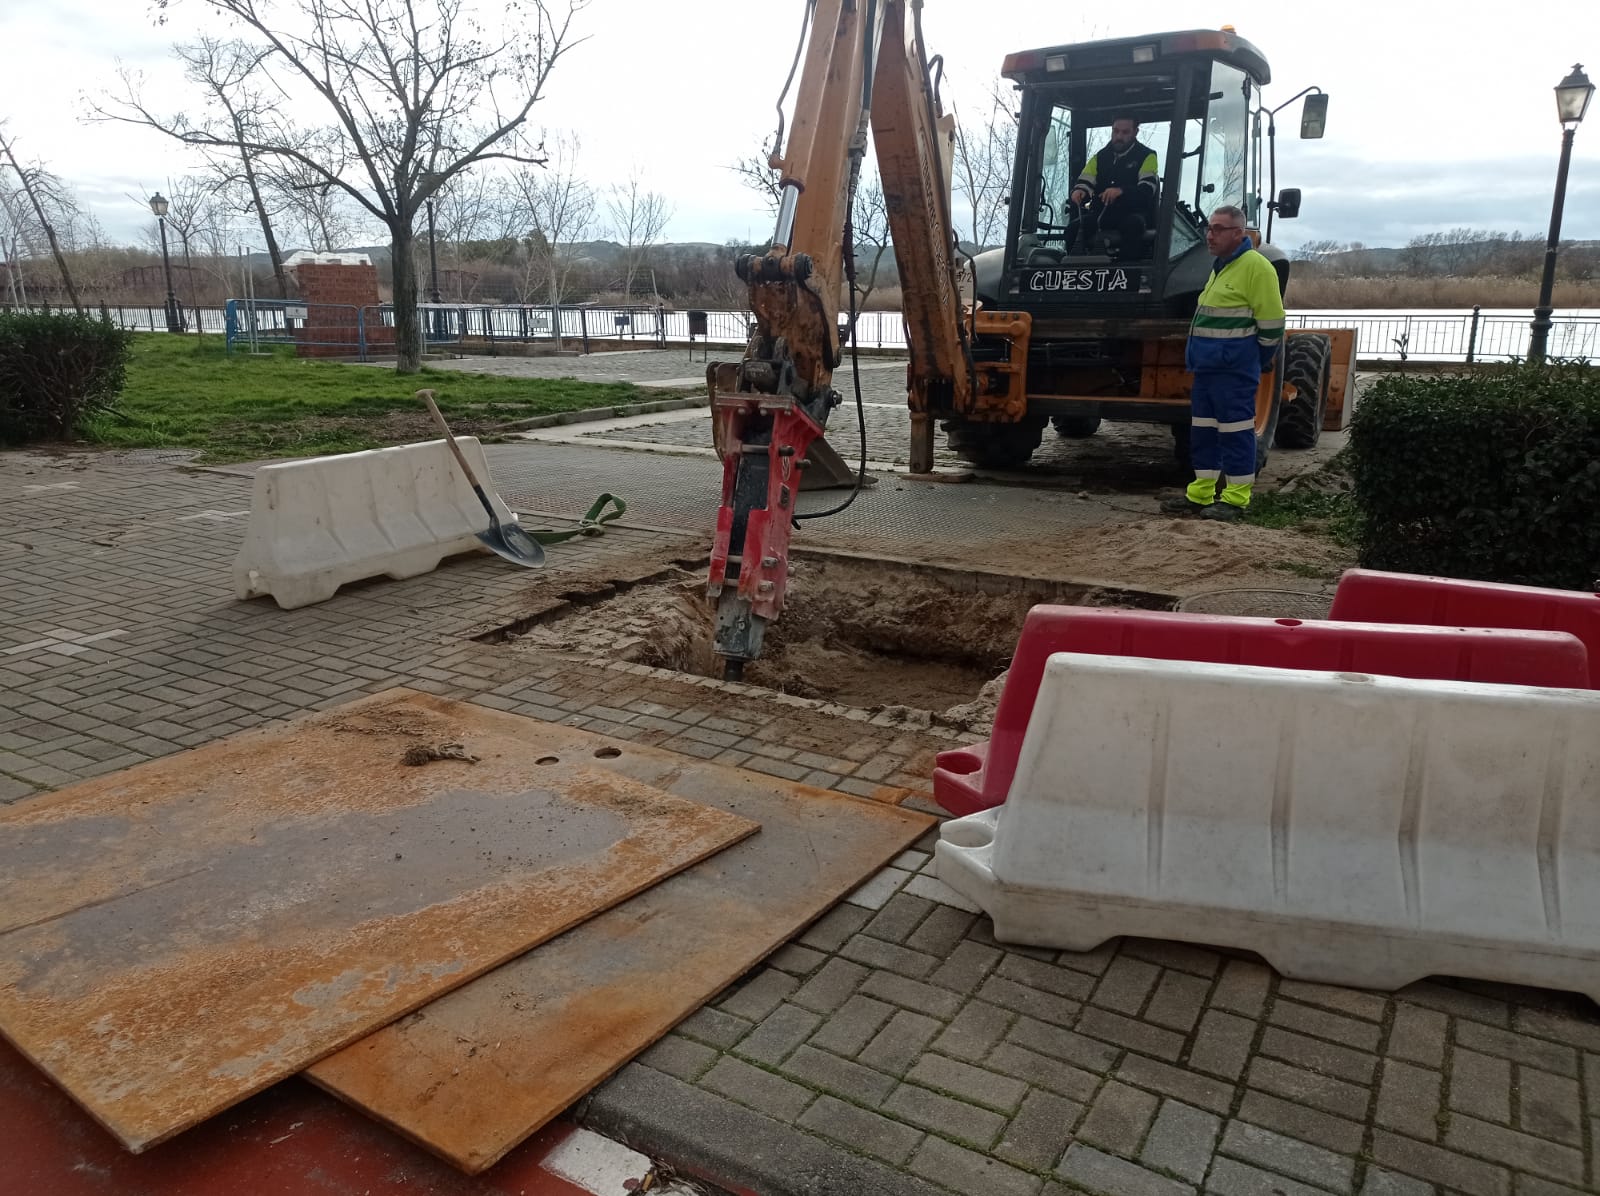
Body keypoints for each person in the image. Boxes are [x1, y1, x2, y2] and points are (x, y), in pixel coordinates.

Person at [1164, 205, 1285, 521]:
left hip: (1233, 370)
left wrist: (1257, 360)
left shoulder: (1256, 268)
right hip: (1206, 369)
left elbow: (1272, 323)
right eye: (1209, 228)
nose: (1210, 234)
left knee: (1235, 433)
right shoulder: (1220, 267)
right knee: (1202, 434)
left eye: (1219, 228)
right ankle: (1201, 494)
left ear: (1238, 233)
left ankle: (1235, 499)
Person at [1068, 118, 1158, 259]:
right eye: (1115, 131)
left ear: (1135, 132)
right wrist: (1080, 191)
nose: (1119, 137)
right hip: (1101, 215)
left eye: (1125, 132)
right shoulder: (1099, 157)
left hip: (1132, 214)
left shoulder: (1147, 156)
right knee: (1073, 229)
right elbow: (1085, 181)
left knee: (1134, 226)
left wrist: (1121, 191)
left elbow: (1147, 190)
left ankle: (1126, 274)